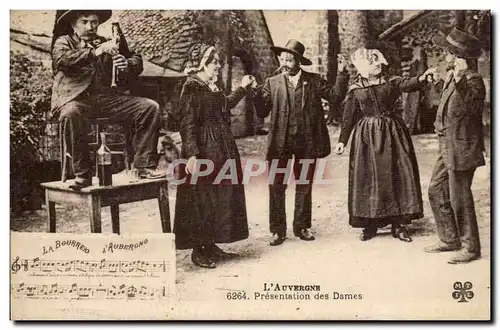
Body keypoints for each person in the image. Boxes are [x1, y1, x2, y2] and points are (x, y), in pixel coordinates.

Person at [249, 39, 349, 246]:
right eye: (282, 58)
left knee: (304, 184)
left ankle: (302, 226)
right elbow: (261, 110)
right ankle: (277, 231)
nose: (284, 62)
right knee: (277, 185)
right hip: (280, 143)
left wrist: (342, 74)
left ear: (298, 61)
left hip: (306, 142)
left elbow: (335, 97)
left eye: (289, 59)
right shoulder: (272, 82)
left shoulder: (313, 81)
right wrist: (252, 92)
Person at [50, 10, 164, 190]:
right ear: (74, 24)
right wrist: (95, 52)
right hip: (76, 98)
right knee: (70, 114)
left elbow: (134, 58)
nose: (90, 27)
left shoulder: (105, 41)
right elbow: (61, 60)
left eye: (94, 22)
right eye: (84, 22)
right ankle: (83, 174)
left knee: (150, 107)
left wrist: (127, 65)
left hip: (106, 99)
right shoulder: (64, 42)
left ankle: (144, 166)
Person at [335, 47, 438, 242]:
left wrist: (423, 78)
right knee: (368, 178)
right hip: (366, 139)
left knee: (396, 176)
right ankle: (370, 224)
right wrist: (342, 141)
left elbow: (408, 83)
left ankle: (399, 224)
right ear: (362, 66)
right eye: (372, 62)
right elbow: (348, 117)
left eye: (378, 61)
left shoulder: (391, 82)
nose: (377, 64)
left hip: (392, 135)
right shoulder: (355, 89)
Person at [173, 43, 253, 269]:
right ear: (202, 64)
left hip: (221, 145)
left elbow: (225, 105)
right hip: (204, 149)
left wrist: (242, 88)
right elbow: (187, 123)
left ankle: (211, 244)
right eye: (214, 62)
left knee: (220, 196)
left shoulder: (211, 85)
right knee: (203, 198)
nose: (218, 66)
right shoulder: (191, 86)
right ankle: (199, 250)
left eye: (217, 61)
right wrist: (193, 155)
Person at [424, 27, 486, 264]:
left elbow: (472, 109)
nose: (445, 56)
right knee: (436, 189)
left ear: (459, 57)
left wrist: (459, 80)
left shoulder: (473, 80)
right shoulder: (453, 77)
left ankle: (470, 247)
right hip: (447, 144)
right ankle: (450, 238)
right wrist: (438, 84)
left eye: (449, 53)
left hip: (462, 147)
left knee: (460, 197)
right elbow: (440, 106)